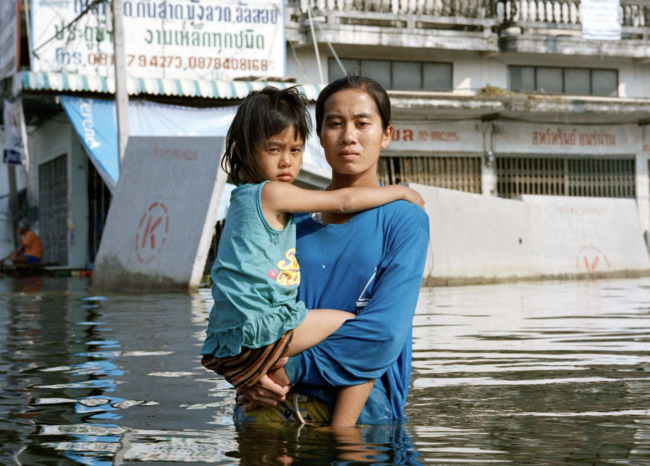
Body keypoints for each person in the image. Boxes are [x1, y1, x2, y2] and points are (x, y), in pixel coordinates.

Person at [200, 86, 425, 427]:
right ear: (319, 136)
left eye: (362, 123)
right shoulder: (289, 221)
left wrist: (287, 368)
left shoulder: (404, 220)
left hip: (362, 415)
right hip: (268, 405)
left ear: (386, 135)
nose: (349, 136)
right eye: (335, 123)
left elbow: (384, 334)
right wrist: (250, 380)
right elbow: (249, 306)